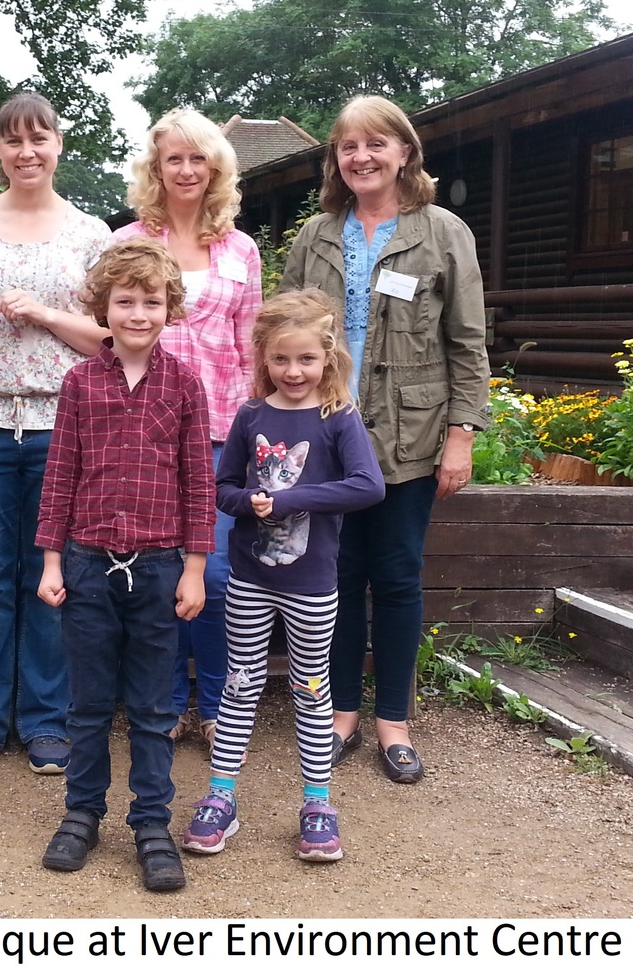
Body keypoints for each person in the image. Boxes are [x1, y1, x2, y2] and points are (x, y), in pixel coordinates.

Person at [279, 95, 490, 783]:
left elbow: (466, 341)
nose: (361, 157)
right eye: (347, 146)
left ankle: (392, 720)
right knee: (332, 580)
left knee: (395, 578)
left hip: (411, 434)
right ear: (335, 160)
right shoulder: (315, 235)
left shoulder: (440, 231)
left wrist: (460, 434)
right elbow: (282, 334)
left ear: (404, 152)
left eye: (376, 144)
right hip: (326, 437)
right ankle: (339, 713)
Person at [0, 92, 112, 778]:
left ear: (59, 144)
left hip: (60, 424)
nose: (26, 151)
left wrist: (40, 312)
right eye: (12, 140)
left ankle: (45, 721)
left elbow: (105, 337)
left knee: (51, 577)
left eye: (38, 138)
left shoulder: (92, 233)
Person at [36, 238, 215, 893]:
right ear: (102, 309)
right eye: (125, 301)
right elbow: (60, 476)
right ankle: (81, 814)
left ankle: (151, 824)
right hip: (85, 564)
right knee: (86, 705)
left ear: (169, 308)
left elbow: (199, 481)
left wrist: (193, 568)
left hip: (162, 565)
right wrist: (51, 561)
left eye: (151, 301)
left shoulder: (184, 383)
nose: (138, 313)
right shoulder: (80, 382)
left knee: (148, 703)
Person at [180, 289, 384, 862]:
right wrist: (251, 502)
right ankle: (222, 797)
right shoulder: (250, 415)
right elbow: (222, 489)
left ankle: (318, 802)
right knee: (239, 683)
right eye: (280, 360)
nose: (293, 371)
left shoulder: (338, 417)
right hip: (248, 578)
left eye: (306, 359)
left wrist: (296, 497)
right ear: (262, 358)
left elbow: (369, 486)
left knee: (310, 690)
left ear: (328, 358)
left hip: (313, 583)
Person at [114, 107, 261, 753]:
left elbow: (252, 347)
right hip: (147, 431)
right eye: (172, 158)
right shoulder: (127, 243)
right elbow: (108, 339)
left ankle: (220, 699)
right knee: (160, 573)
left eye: (197, 158)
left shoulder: (240, 247)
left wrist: (259, 432)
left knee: (221, 573)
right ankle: (167, 699)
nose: (185, 169)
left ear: (215, 168)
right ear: (154, 167)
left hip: (222, 431)